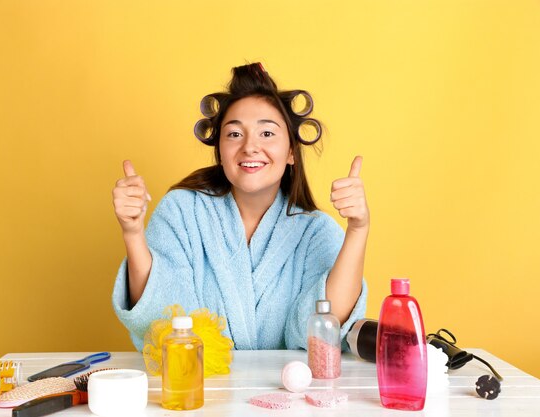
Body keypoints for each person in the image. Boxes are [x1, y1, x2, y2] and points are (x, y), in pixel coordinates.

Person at [112, 63, 369, 351]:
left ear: (291, 154)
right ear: (220, 152)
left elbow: (325, 327)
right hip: (200, 385)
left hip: (286, 391)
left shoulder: (315, 230)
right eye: (234, 134)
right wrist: (133, 233)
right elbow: (159, 319)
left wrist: (358, 229)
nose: (249, 146)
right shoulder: (181, 211)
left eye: (267, 134)